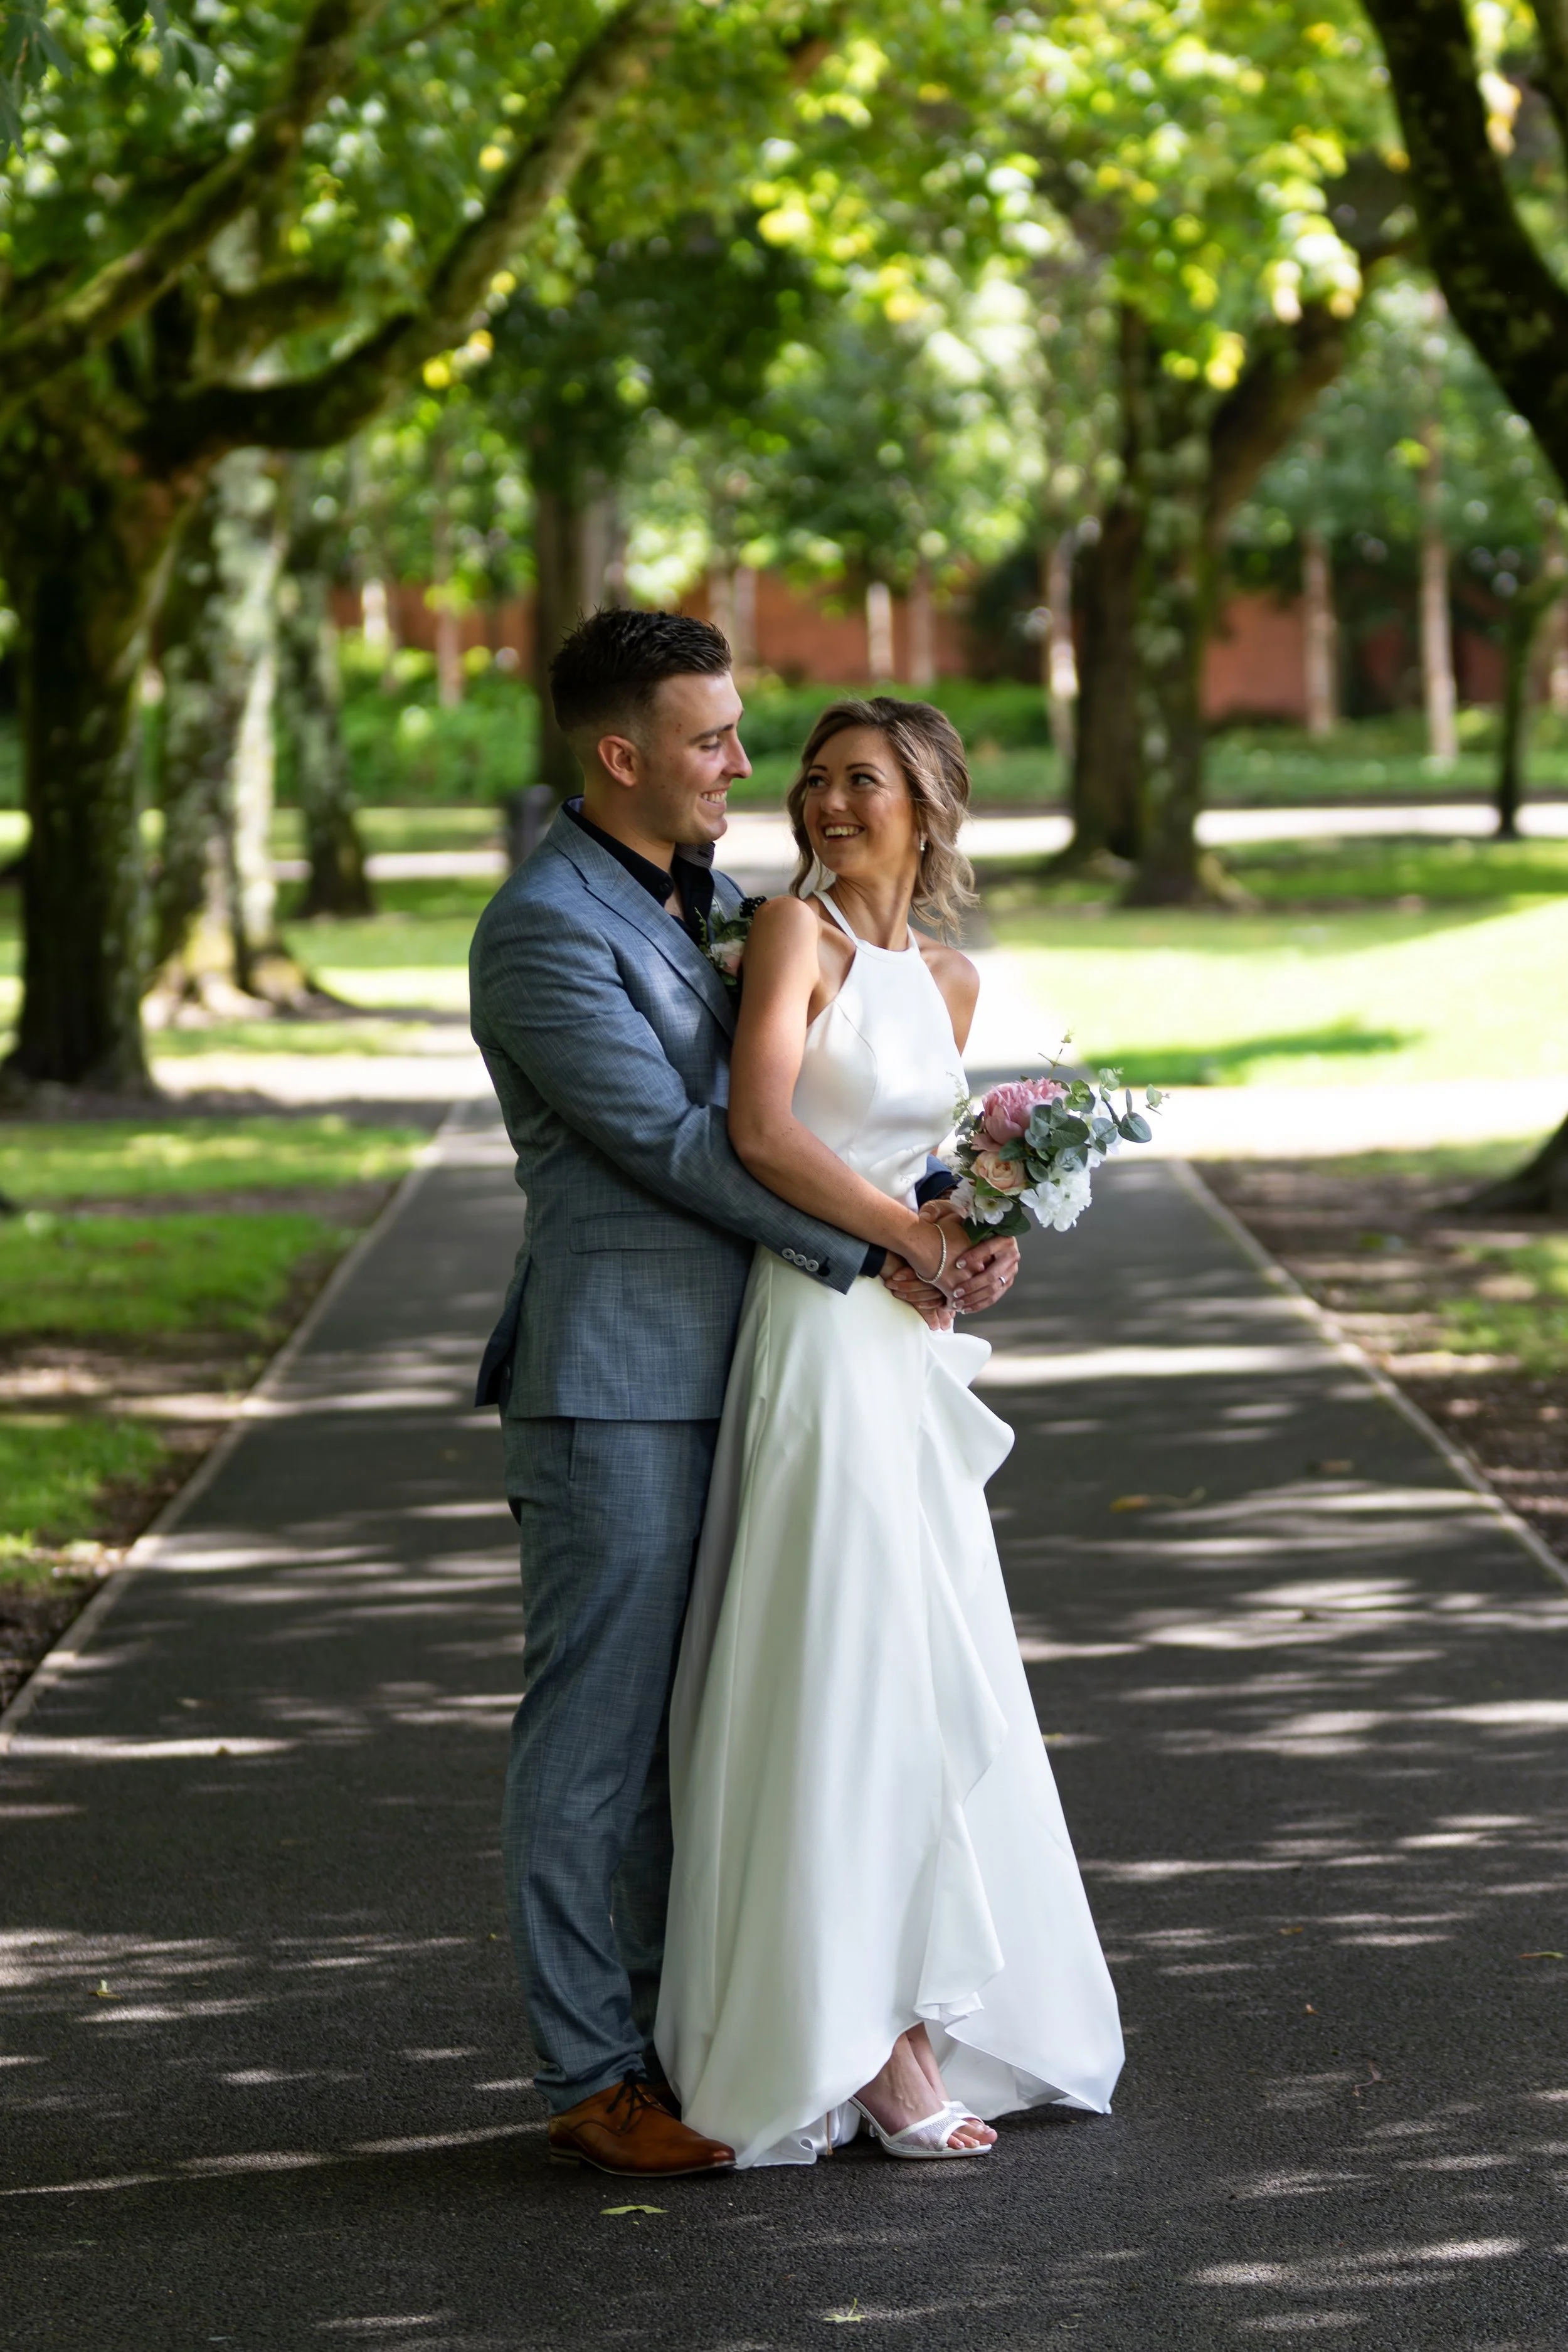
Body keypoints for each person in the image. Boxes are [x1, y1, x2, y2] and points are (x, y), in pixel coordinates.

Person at [469, 612, 1020, 2180]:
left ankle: (722, 2033)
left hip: (769, 1367)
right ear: (619, 754)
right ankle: (592, 2072)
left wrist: (958, 1226)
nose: (742, 767)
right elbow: (676, 1141)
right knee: (600, 1739)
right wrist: (891, 1249)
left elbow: (840, 1094)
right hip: (621, 1383)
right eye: (712, 741)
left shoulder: (720, 905)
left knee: (735, 1722)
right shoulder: (542, 930)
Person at [654, 696, 1125, 2166]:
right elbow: (763, 1132)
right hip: (813, 1324)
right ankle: (865, 2039)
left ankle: (926, 1995)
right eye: (814, 780)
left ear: (927, 804)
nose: (825, 802)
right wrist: (903, 1242)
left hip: (901, 1343)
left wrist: (978, 1245)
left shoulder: (952, 980)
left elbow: (933, 1162)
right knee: (833, 1652)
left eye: (861, 781)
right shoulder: (792, 939)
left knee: (922, 1657)